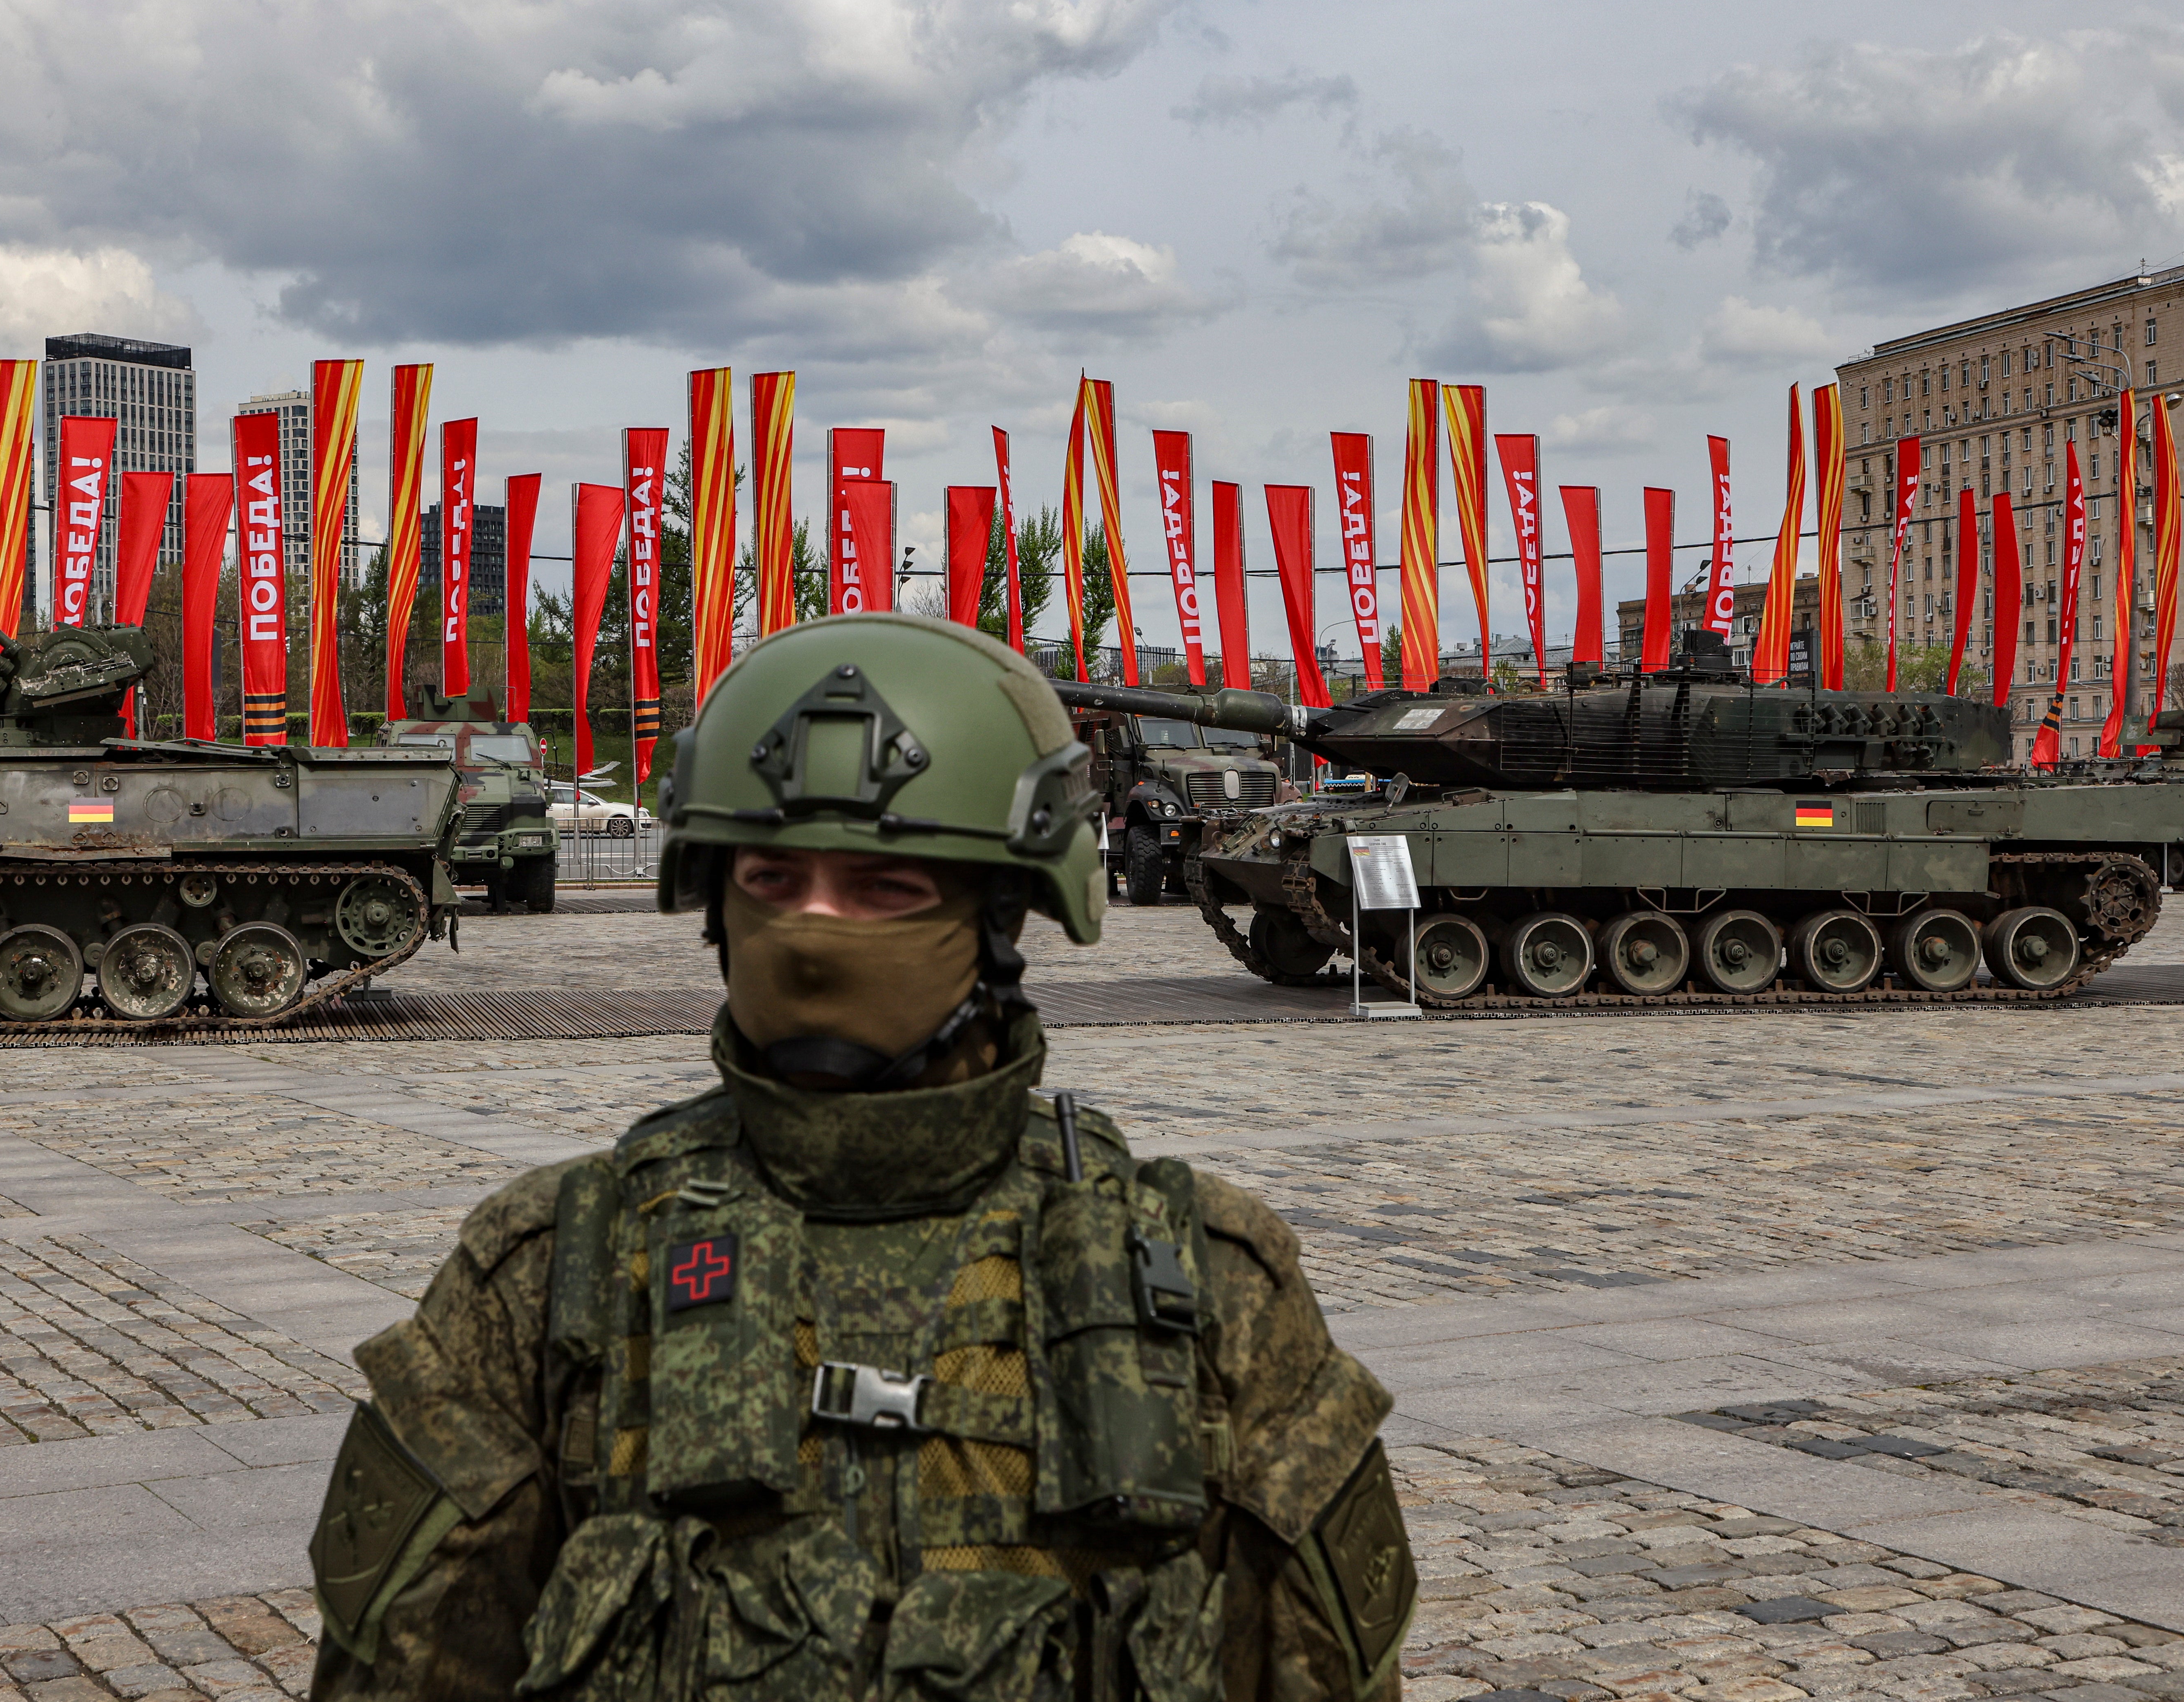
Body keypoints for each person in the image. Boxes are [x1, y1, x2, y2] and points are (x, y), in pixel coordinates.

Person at [307, 615, 1414, 1700]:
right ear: (716, 901)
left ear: (1007, 914)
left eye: (885, 888)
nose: (815, 928)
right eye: (775, 882)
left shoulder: (1204, 1280)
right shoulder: (554, 1270)